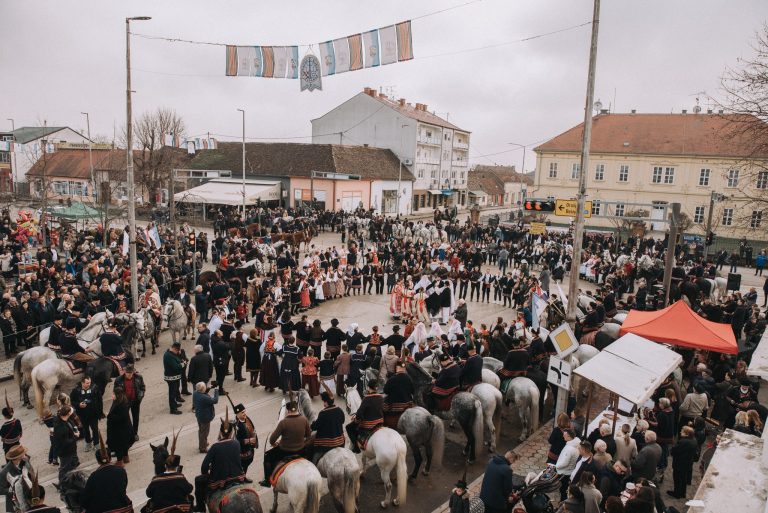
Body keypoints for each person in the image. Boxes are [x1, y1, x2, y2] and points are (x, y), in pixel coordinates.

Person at [196, 411, 244, 511]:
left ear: (221, 432)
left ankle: (200, 508)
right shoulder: (237, 443)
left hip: (220, 480)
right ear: (231, 432)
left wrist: (206, 473)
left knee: (198, 481)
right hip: (237, 476)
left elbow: (204, 466)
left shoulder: (214, 447)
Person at [260, 399, 311, 487]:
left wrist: (274, 444)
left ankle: (267, 481)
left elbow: (272, 439)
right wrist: (302, 443)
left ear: (288, 411)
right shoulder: (304, 419)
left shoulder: (283, 423)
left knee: (267, 457)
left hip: (285, 451)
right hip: (301, 450)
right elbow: (308, 436)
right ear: (297, 409)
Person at [81, 431, 132, 513]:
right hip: (123, 507)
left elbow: (85, 499)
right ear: (110, 458)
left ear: (98, 462)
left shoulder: (93, 476)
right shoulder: (121, 471)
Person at [144, 440, 194, 513]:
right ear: (177, 466)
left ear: (165, 465)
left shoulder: (156, 480)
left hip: (161, 509)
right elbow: (190, 489)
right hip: (180, 509)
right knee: (190, 498)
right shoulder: (180, 477)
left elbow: (148, 494)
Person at [346, 379, 384, 454]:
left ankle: (356, 448)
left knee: (349, 428)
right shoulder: (381, 397)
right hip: (380, 422)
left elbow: (360, 413)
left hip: (369, 425)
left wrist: (356, 419)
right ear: (376, 387)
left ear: (368, 387)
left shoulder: (367, 398)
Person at [310, 387, 346, 462]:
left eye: (324, 401)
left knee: (314, 456)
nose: (323, 403)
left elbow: (315, 427)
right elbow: (342, 421)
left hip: (326, 444)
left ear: (326, 402)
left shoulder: (323, 413)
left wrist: (312, 424)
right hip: (340, 441)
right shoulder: (339, 410)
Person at [70, 376, 102, 452]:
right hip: (82, 415)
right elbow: (72, 401)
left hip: (93, 414)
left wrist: (100, 412)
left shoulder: (94, 388)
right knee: (85, 430)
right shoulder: (76, 391)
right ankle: (88, 443)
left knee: (95, 429)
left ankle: (96, 444)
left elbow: (100, 401)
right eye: (87, 383)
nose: (89, 384)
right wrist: (78, 405)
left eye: (90, 382)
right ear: (82, 383)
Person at [114, 364, 145, 440]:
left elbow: (142, 388)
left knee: (136, 418)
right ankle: (126, 433)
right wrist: (119, 399)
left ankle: (135, 434)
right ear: (124, 372)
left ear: (133, 372)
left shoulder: (139, 377)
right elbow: (115, 391)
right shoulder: (118, 380)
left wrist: (140, 396)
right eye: (128, 373)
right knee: (124, 418)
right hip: (124, 402)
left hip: (135, 401)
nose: (129, 375)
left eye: (131, 373)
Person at [0, 445, 33, 513]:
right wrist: (14, 490)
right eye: (23, 454)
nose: (25, 454)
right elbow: (1, 490)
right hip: (15, 504)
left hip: (29, 498)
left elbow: (32, 476)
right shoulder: (5, 472)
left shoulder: (25, 461)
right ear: (18, 457)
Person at [668, 425, 698, 499]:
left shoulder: (682, 442)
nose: (681, 432)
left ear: (687, 434)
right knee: (683, 479)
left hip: (679, 464)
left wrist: (672, 451)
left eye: (682, 431)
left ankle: (677, 493)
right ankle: (682, 493)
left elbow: (674, 451)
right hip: (688, 463)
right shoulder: (694, 440)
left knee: (677, 479)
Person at [106, 387, 134, 464]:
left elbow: (120, 418)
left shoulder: (121, 404)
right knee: (124, 446)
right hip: (124, 430)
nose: (112, 395)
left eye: (113, 394)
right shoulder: (122, 401)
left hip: (119, 431)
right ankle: (126, 458)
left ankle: (119, 462)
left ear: (117, 395)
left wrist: (109, 416)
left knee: (119, 448)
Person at [52, 407, 79, 484]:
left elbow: (71, 424)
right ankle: (61, 483)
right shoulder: (60, 427)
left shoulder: (65, 419)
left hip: (71, 449)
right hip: (65, 451)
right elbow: (65, 441)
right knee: (64, 468)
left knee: (71, 465)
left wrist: (75, 430)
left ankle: (71, 480)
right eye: (71, 411)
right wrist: (75, 436)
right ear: (68, 414)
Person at [555, 429, 582, 501]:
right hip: (569, 471)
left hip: (565, 472)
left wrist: (556, 466)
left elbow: (565, 463)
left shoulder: (569, 449)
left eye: (565, 434)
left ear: (569, 436)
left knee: (563, 490)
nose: (563, 435)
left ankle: (563, 503)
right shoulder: (575, 445)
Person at [193, 382, 219, 453]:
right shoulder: (204, 398)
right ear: (202, 389)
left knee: (201, 431)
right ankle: (203, 448)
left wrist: (209, 388)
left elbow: (203, 392)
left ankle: (202, 443)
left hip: (199, 415)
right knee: (204, 433)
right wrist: (216, 390)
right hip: (205, 417)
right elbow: (215, 400)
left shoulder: (195, 393)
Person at [233, 404, 257, 481]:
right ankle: (239, 479)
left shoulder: (247, 419)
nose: (244, 413)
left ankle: (243, 477)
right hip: (241, 451)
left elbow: (252, 429)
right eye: (242, 412)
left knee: (246, 464)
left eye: (244, 411)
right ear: (237, 414)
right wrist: (249, 441)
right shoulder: (235, 425)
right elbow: (236, 441)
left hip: (249, 448)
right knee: (241, 466)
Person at [164, 342, 185, 415]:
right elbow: (176, 367)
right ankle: (173, 409)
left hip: (174, 377)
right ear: (173, 348)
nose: (177, 352)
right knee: (172, 393)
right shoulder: (169, 356)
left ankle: (174, 404)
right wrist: (183, 364)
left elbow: (177, 361)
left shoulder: (171, 354)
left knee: (175, 391)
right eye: (177, 351)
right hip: (171, 378)